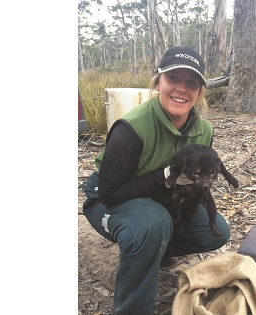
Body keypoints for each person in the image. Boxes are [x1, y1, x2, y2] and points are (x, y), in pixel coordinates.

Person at [80, 46, 230, 315]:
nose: (181, 89)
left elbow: (200, 182)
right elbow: (109, 194)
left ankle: (152, 250)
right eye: (173, 78)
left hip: (159, 201)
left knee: (215, 230)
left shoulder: (203, 130)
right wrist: (166, 178)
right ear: (158, 81)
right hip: (107, 200)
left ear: (199, 91)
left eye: (191, 82)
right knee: (152, 223)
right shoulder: (133, 128)